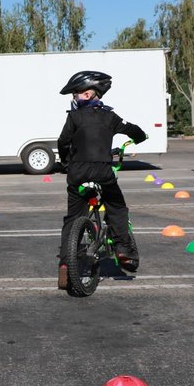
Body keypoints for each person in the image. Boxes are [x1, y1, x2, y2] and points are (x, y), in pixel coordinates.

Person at [55, 70, 147, 290]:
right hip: (103, 173)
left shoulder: (74, 117)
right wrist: (140, 137)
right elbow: (134, 130)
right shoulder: (110, 116)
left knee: (72, 218)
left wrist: (68, 163)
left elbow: (62, 142)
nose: (74, 98)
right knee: (116, 206)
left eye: (76, 94)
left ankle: (67, 264)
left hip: (77, 174)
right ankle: (123, 248)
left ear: (87, 94)